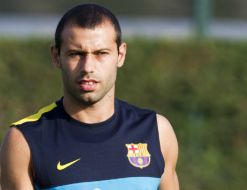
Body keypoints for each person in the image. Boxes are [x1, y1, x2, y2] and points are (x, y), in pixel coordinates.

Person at [0, 3, 179, 190]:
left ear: (120, 55)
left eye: (101, 53)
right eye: (76, 54)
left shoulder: (157, 132)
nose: (88, 67)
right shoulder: (25, 140)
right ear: (56, 56)